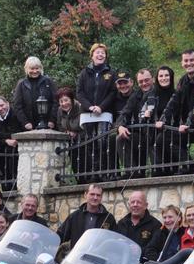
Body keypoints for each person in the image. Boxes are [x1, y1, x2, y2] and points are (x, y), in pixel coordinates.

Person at [75, 43, 116, 181]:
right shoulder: (84, 73)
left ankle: (103, 172)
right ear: (92, 55)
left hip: (103, 113)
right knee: (90, 143)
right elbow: (79, 93)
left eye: (103, 53)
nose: (100, 55)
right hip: (88, 114)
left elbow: (112, 93)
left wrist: (101, 107)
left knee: (102, 142)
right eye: (97, 52)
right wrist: (90, 107)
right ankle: (92, 173)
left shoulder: (111, 73)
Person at [161, 49, 194, 141]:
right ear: (182, 63)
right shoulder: (182, 80)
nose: (188, 63)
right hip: (186, 126)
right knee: (163, 140)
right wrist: (163, 119)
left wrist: (188, 124)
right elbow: (174, 101)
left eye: (191, 60)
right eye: (186, 61)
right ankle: (186, 156)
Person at [115, 69, 156, 177]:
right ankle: (132, 172)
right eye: (141, 81)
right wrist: (120, 126)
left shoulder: (158, 91)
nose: (144, 83)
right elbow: (125, 111)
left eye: (146, 80)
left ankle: (158, 172)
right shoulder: (136, 95)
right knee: (121, 138)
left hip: (158, 131)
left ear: (152, 79)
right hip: (142, 134)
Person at [57, 183, 115, 253]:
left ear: (101, 197)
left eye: (98, 195)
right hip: (77, 259)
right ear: (85, 195)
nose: (95, 197)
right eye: (92, 194)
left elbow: (114, 242)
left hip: (99, 260)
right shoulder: (75, 216)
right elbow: (60, 236)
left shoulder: (109, 218)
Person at [150, 66, 183, 175]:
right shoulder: (152, 95)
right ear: (157, 78)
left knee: (163, 139)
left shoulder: (176, 94)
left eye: (166, 75)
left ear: (171, 77)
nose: (164, 78)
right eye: (161, 76)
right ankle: (158, 169)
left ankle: (170, 168)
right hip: (155, 129)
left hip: (173, 129)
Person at [11, 56, 56, 131]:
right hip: (29, 126)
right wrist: (25, 122)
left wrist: (52, 120)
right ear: (27, 69)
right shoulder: (22, 84)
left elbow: (56, 101)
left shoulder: (48, 82)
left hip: (48, 125)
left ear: (40, 68)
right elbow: (17, 106)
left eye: (37, 68)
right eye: (32, 69)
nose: (35, 71)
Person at [0, 96, 23, 190]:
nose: (0, 109)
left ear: (7, 104)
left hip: (16, 150)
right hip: (2, 152)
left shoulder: (15, 114)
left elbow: (17, 133)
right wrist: (6, 140)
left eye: (2, 105)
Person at [54, 88, 84, 182]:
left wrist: (76, 132)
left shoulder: (80, 107)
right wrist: (66, 132)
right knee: (74, 162)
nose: (64, 104)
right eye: (61, 101)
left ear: (71, 99)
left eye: (66, 100)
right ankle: (79, 180)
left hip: (83, 139)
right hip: (70, 141)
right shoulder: (59, 111)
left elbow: (85, 126)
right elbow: (59, 124)